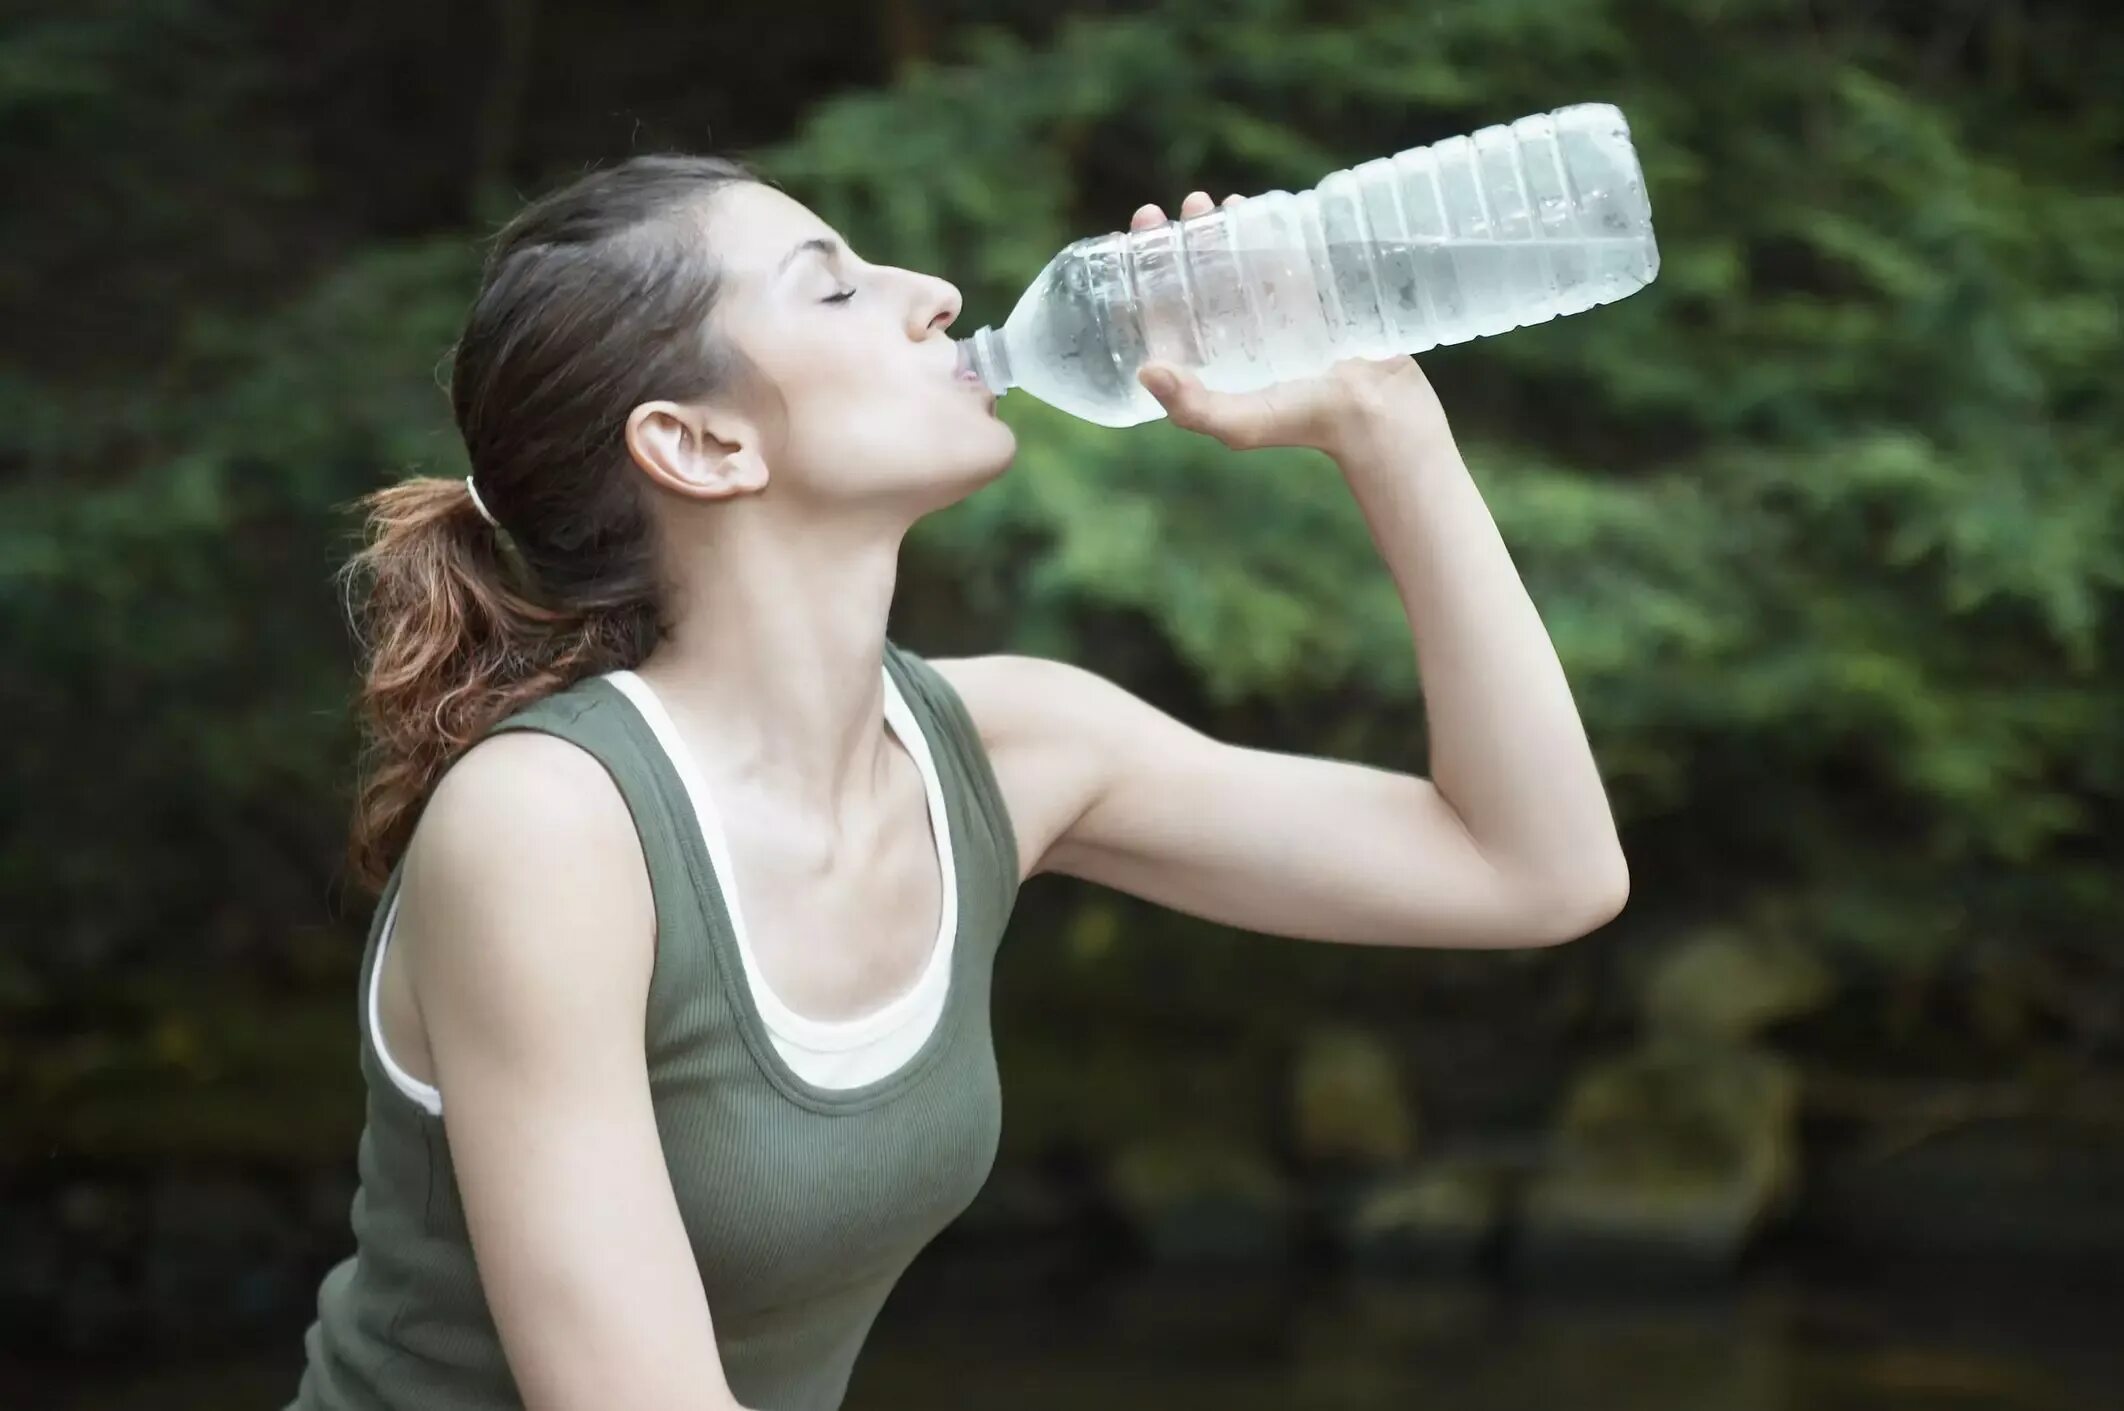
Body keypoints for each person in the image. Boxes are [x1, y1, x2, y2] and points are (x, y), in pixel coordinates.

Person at [288, 153, 1628, 1411]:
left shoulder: (1012, 749)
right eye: (834, 283)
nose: (932, 295)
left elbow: (1535, 869)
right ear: (699, 447)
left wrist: (1386, 422)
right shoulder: (553, 829)